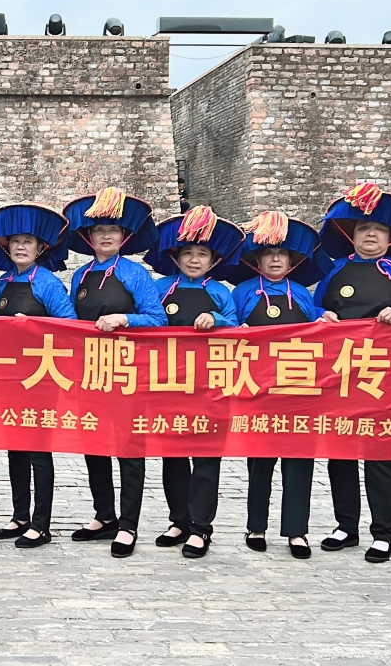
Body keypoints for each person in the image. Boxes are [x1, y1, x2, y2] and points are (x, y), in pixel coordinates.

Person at [313, 182, 391, 564]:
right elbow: (313, 310)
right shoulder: (335, 270)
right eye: (364, 229)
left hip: (386, 375)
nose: (370, 236)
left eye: (379, 231)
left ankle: (384, 534)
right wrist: (322, 316)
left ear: (390, 238)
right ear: (351, 235)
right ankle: (346, 526)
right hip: (340, 372)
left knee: (381, 454)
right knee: (340, 453)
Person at [62, 188, 167, 559]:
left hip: (127, 371)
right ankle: (104, 515)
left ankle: (128, 524)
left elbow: (158, 319)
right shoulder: (80, 275)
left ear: (124, 237)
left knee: (128, 448)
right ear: (88, 237)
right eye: (99, 230)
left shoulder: (135, 273)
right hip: (90, 370)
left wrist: (124, 319)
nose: (106, 236)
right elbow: (70, 321)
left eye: (113, 230)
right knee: (94, 444)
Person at [227, 211, 331, 560]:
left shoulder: (301, 294)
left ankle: (297, 530)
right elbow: (228, 329)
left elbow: (319, 334)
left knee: (299, 461)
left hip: (299, 388)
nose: (275, 259)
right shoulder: (242, 292)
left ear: (292, 260)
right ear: (256, 260)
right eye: (268, 253)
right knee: (260, 461)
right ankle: (256, 525)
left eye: (281, 254)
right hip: (257, 388)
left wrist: (326, 321)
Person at [0, 202, 76, 549]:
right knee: (15, 447)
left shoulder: (48, 283)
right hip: (10, 375)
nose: (20, 247)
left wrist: (32, 325)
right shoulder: (3, 282)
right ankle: (20, 515)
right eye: (15, 241)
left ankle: (41, 524)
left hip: (42, 376)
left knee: (38, 450)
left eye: (28, 242)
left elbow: (69, 325)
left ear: (40, 248)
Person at [147, 205, 244, 558]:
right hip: (168, 383)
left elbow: (238, 328)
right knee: (172, 456)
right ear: (175, 256)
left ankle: (201, 528)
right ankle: (179, 520)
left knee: (205, 458)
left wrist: (217, 319)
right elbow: (148, 319)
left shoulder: (220, 293)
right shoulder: (160, 288)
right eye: (187, 252)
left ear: (213, 260)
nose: (194, 259)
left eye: (202, 253)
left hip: (210, 384)